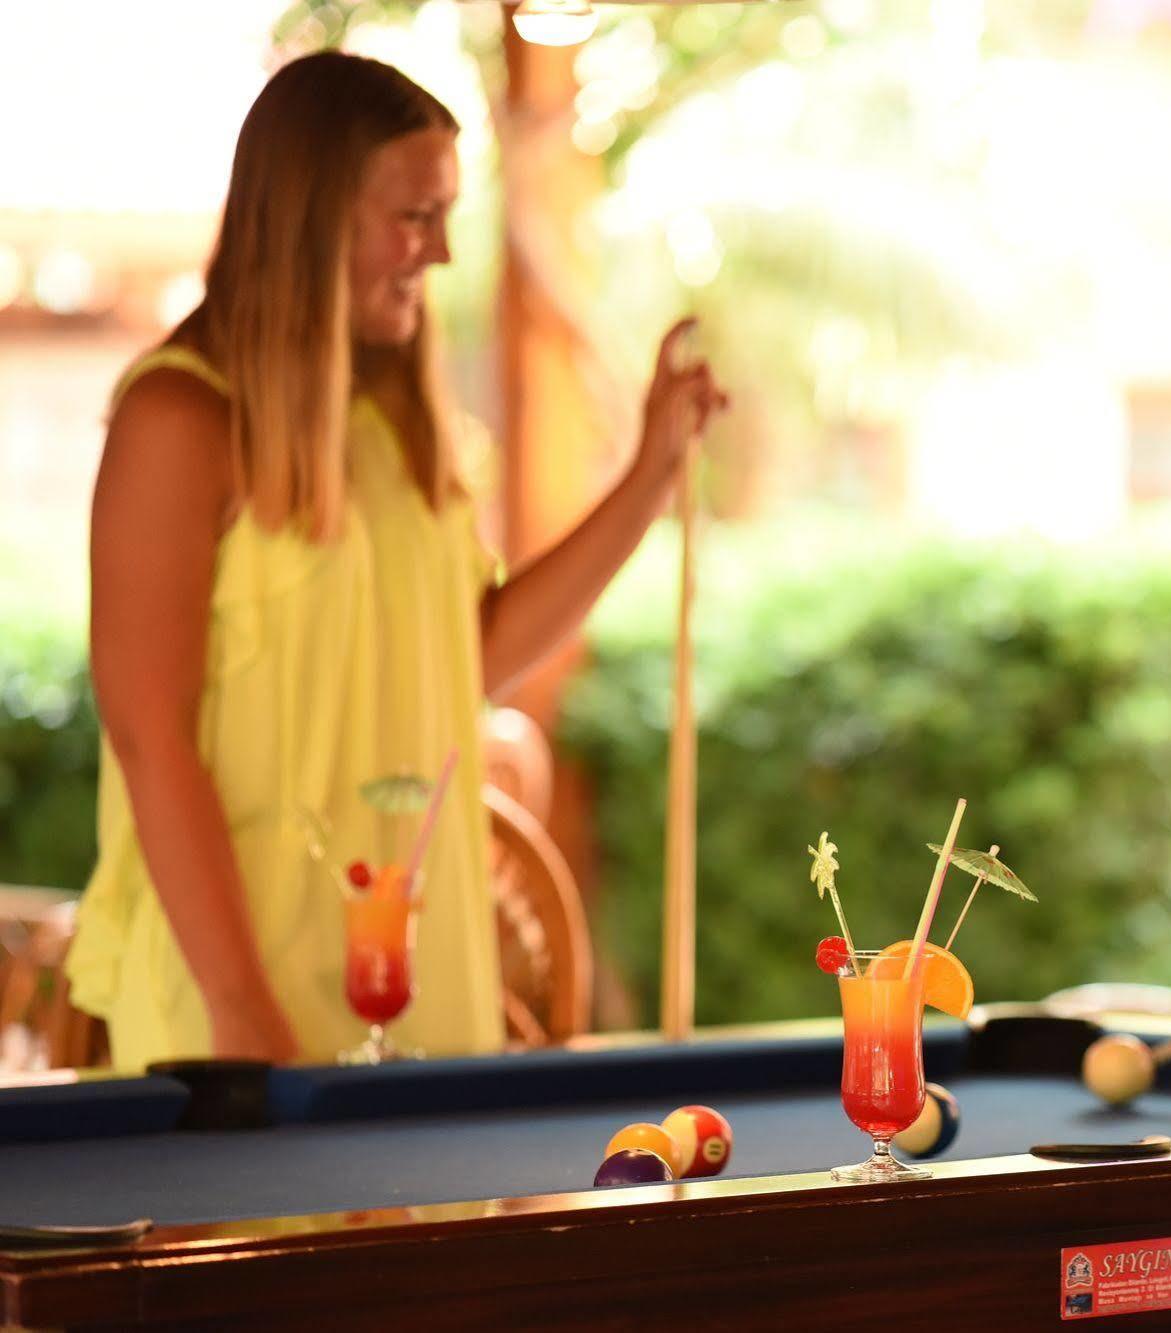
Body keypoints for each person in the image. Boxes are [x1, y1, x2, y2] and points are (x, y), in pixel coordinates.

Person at [71, 51, 724, 1071]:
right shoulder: (179, 417)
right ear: (313, 218)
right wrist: (244, 1012)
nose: (442, 251)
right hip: (238, 997)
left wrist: (650, 471)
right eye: (414, 216)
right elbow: (149, 734)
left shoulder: (393, 431)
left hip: (418, 984)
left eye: (447, 213)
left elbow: (477, 651)